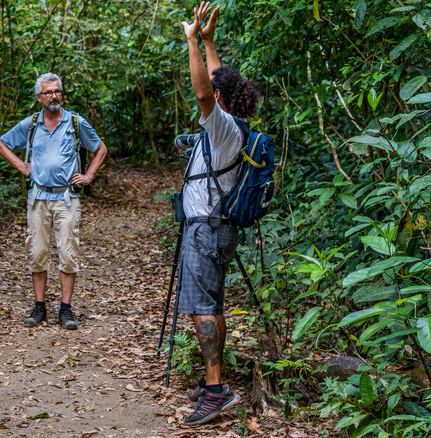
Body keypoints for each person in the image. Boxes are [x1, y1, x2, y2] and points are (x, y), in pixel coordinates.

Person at [178, 2, 260, 425]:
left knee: (202, 310)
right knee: (213, 305)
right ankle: (215, 382)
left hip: (205, 232)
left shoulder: (222, 126)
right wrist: (209, 40)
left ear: (221, 99)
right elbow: (216, 82)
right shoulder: (234, 122)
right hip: (216, 229)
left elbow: (202, 91)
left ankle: (215, 392)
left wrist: (191, 39)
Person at [0, 73, 107, 331]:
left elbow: (100, 148)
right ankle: (39, 306)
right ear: (39, 97)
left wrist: (89, 175)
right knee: (37, 252)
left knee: (68, 253)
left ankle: (66, 309)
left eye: (57, 91)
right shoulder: (32, 123)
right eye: (48, 92)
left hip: (67, 197)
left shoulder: (75, 121)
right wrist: (22, 166)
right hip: (38, 197)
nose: (54, 96)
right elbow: (1, 144)